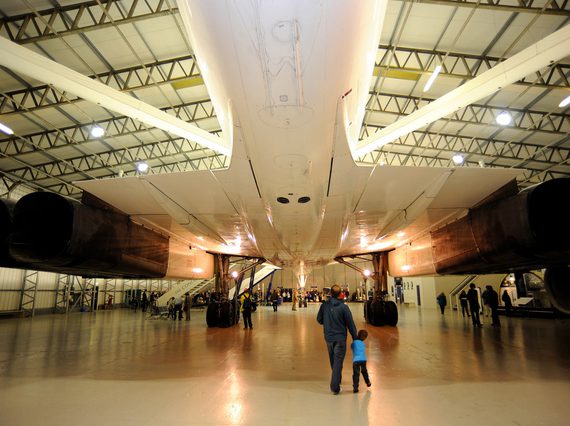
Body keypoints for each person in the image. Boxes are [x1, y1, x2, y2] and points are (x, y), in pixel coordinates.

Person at [316, 284, 358, 395]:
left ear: (330, 294)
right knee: (338, 361)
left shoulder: (324, 306)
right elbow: (350, 324)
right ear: (340, 294)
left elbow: (319, 320)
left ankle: (337, 379)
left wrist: (327, 321)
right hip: (340, 338)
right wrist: (356, 338)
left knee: (334, 361)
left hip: (329, 338)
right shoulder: (344, 307)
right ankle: (335, 386)